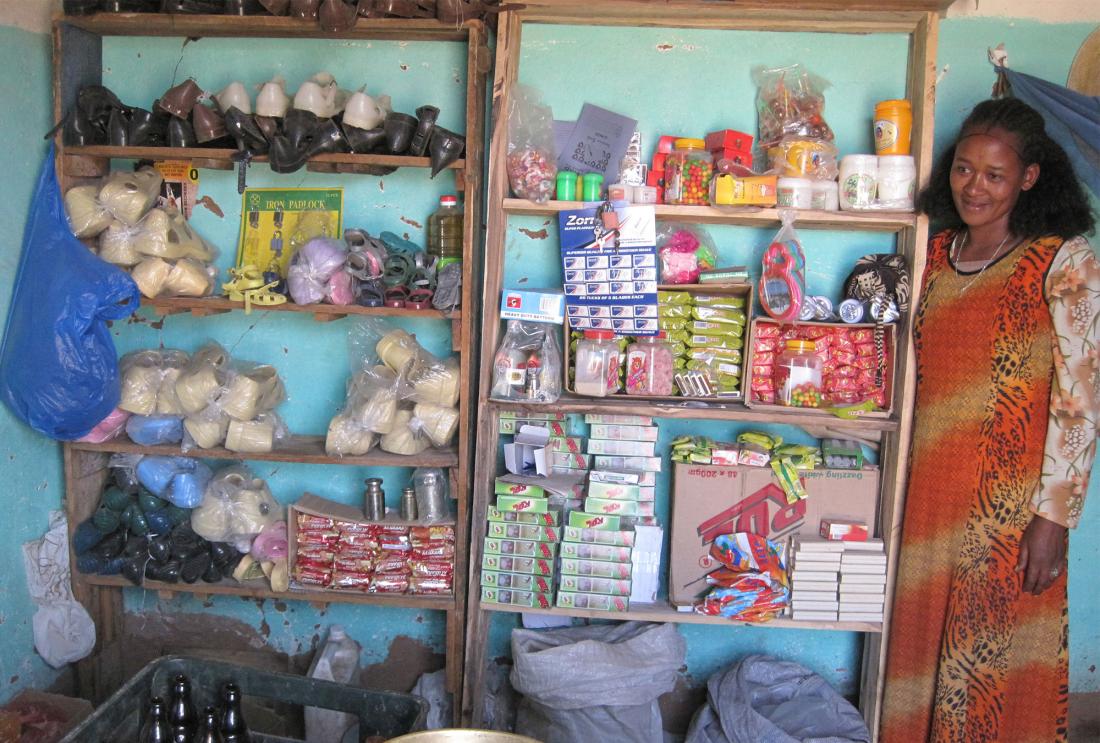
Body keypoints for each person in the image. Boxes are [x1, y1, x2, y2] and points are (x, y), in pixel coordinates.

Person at [880, 97, 1097, 742]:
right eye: (964, 170)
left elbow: (1082, 402)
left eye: (994, 175)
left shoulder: (1065, 261)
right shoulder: (936, 253)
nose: (974, 187)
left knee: (991, 664)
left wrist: (1052, 519)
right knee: (920, 658)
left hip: (1008, 508)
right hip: (928, 498)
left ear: (1028, 178)